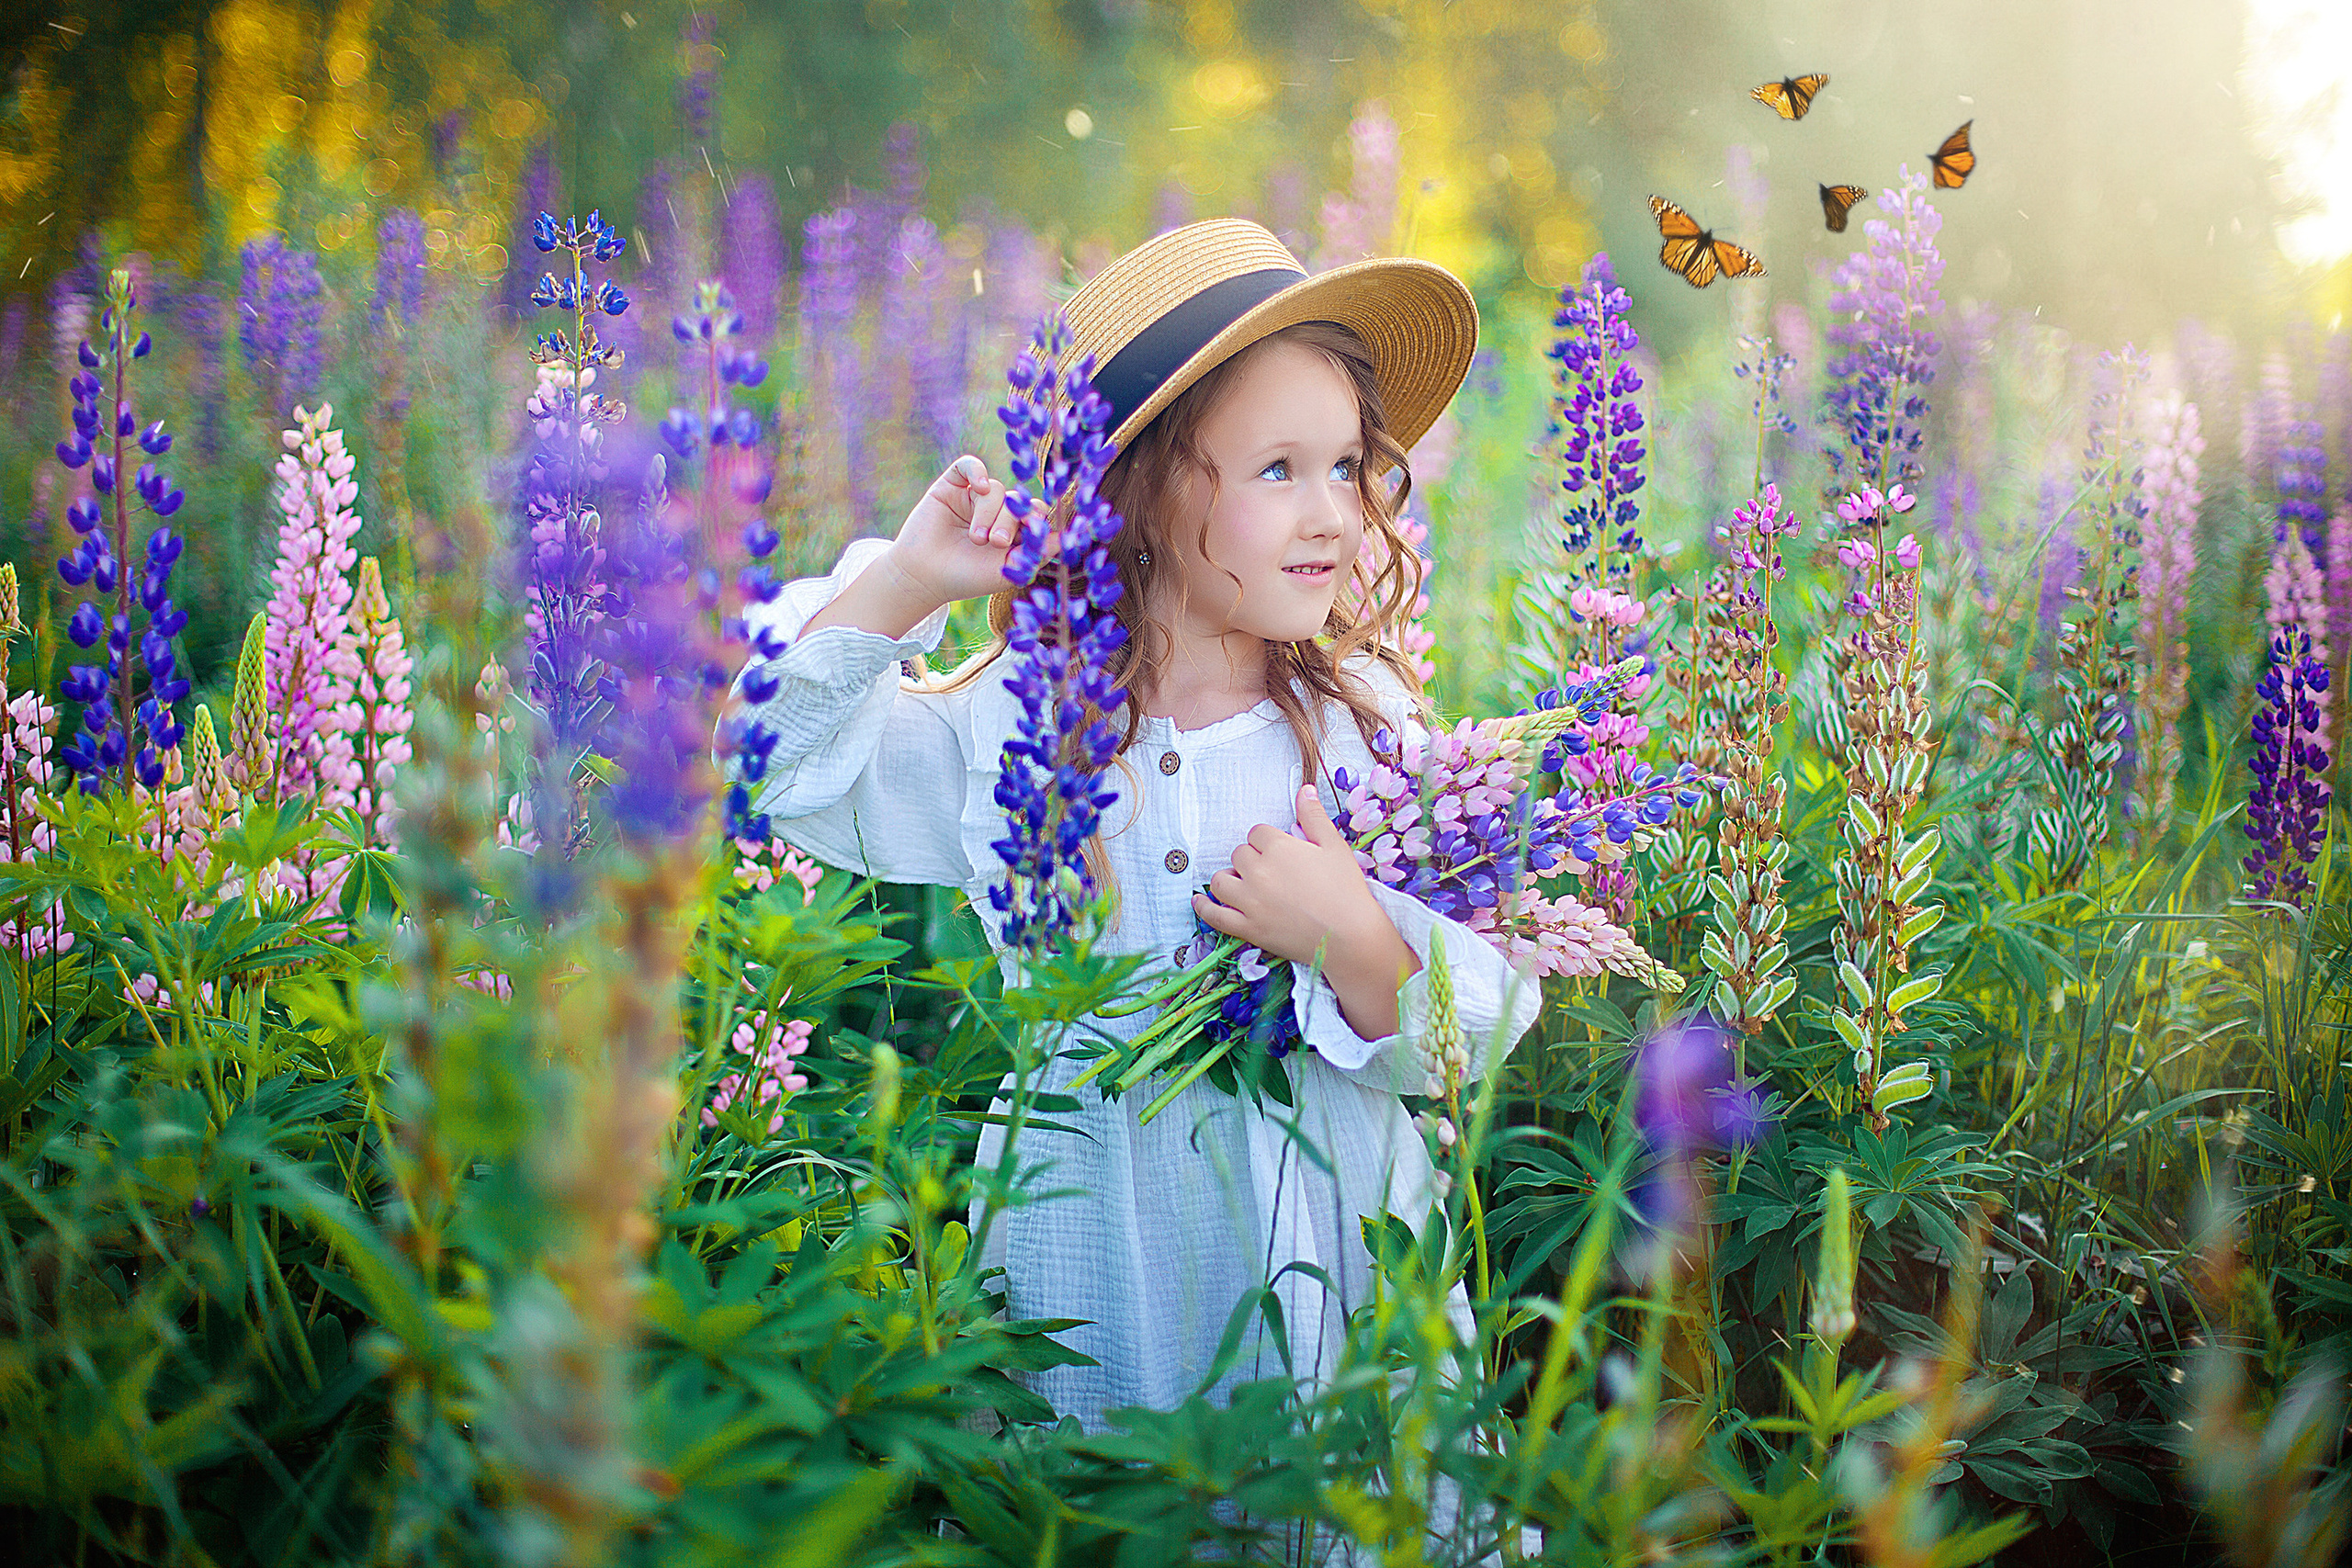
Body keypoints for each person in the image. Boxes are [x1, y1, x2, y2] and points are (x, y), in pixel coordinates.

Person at [727, 219, 1540, 1440]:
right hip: (1083, 1261)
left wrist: (1353, 937)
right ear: (1140, 492)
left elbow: (1473, 1026)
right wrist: (909, 580)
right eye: (1277, 470)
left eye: (1346, 467)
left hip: (1322, 1277)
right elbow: (777, 761)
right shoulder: (1020, 715)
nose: (1334, 513)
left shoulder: (1362, 726)